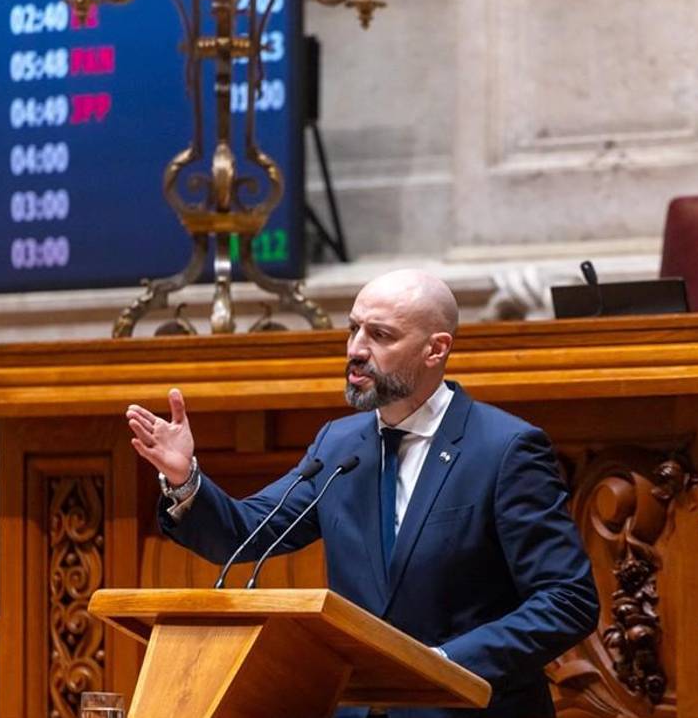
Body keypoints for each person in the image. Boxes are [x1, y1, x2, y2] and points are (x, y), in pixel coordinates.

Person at [126, 269, 599, 718]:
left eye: (381, 335)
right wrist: (184, 476)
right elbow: (245, 533)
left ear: (435, 350)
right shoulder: (338, 445)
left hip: (466, 709)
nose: (356, 349)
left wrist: (443, 663)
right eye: (353, 330)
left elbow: (567, 598)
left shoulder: (504, 449)